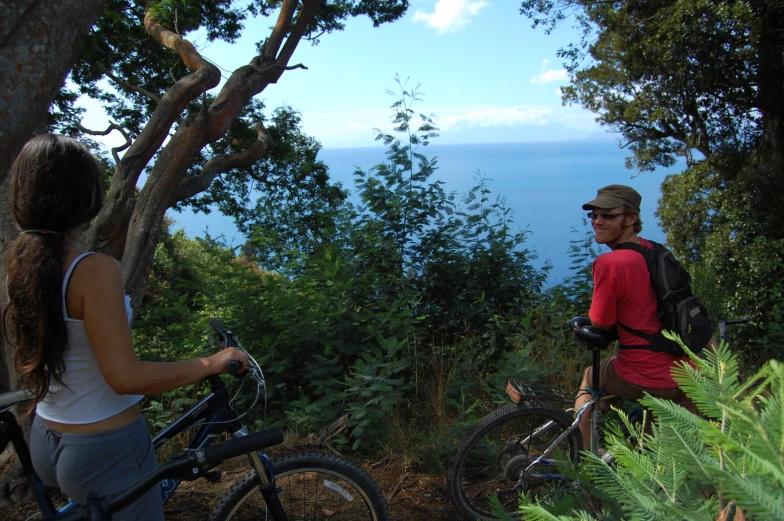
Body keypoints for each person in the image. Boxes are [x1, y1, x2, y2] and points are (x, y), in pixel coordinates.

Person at [3, 134, 249, 520]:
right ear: (84, 195)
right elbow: (124, 377)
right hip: (101, 448)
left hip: (49, 436)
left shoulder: (21, 260)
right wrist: (211, 363)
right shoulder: (93, 270)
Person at [574, 184, 709, 450]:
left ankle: (584, 458)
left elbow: (601, 323)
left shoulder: (610, 264)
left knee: (591, 377)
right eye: (594, 215)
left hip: (643, 374)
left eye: (608, 215)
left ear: (632, 218)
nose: (597, 221)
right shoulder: (658, 252)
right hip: (687, 374)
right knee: (657, 450)